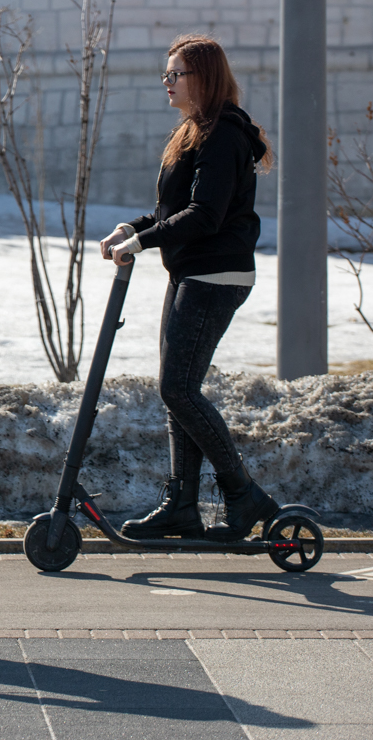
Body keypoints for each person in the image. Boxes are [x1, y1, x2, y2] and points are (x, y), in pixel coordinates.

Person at [98, 33, 279, 543]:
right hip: (191, 274)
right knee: (178, 393)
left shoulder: (222, 135)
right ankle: (181, 504)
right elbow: (169, 212)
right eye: (167, 73)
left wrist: (143, 243)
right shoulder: (194, 132)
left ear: (203, 77)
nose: (167, 82)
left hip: (216, 274)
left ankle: (243, 494)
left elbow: (204, 216)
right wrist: (132, 230)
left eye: (175, 73)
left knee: (177, 389)